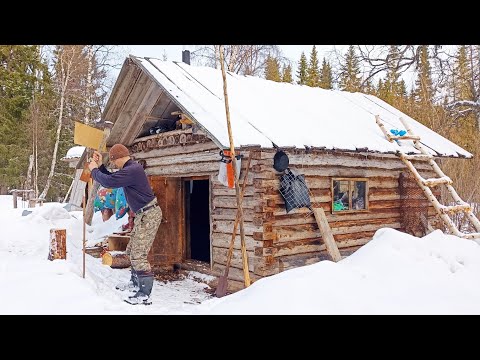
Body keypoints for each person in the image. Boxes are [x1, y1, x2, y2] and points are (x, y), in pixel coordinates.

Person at [88, 143, 162, 305]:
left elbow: (108, 182)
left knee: (138, 254)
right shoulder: (130, 169)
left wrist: (94, 170)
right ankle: (135, 283)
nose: (113, 164)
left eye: (113, 161)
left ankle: (144, 294)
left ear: (118, 158)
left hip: (149, 215)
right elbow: (112, 179)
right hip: (143, 214)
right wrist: (100, 167)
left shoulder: (132, 170)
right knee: (132, 249)